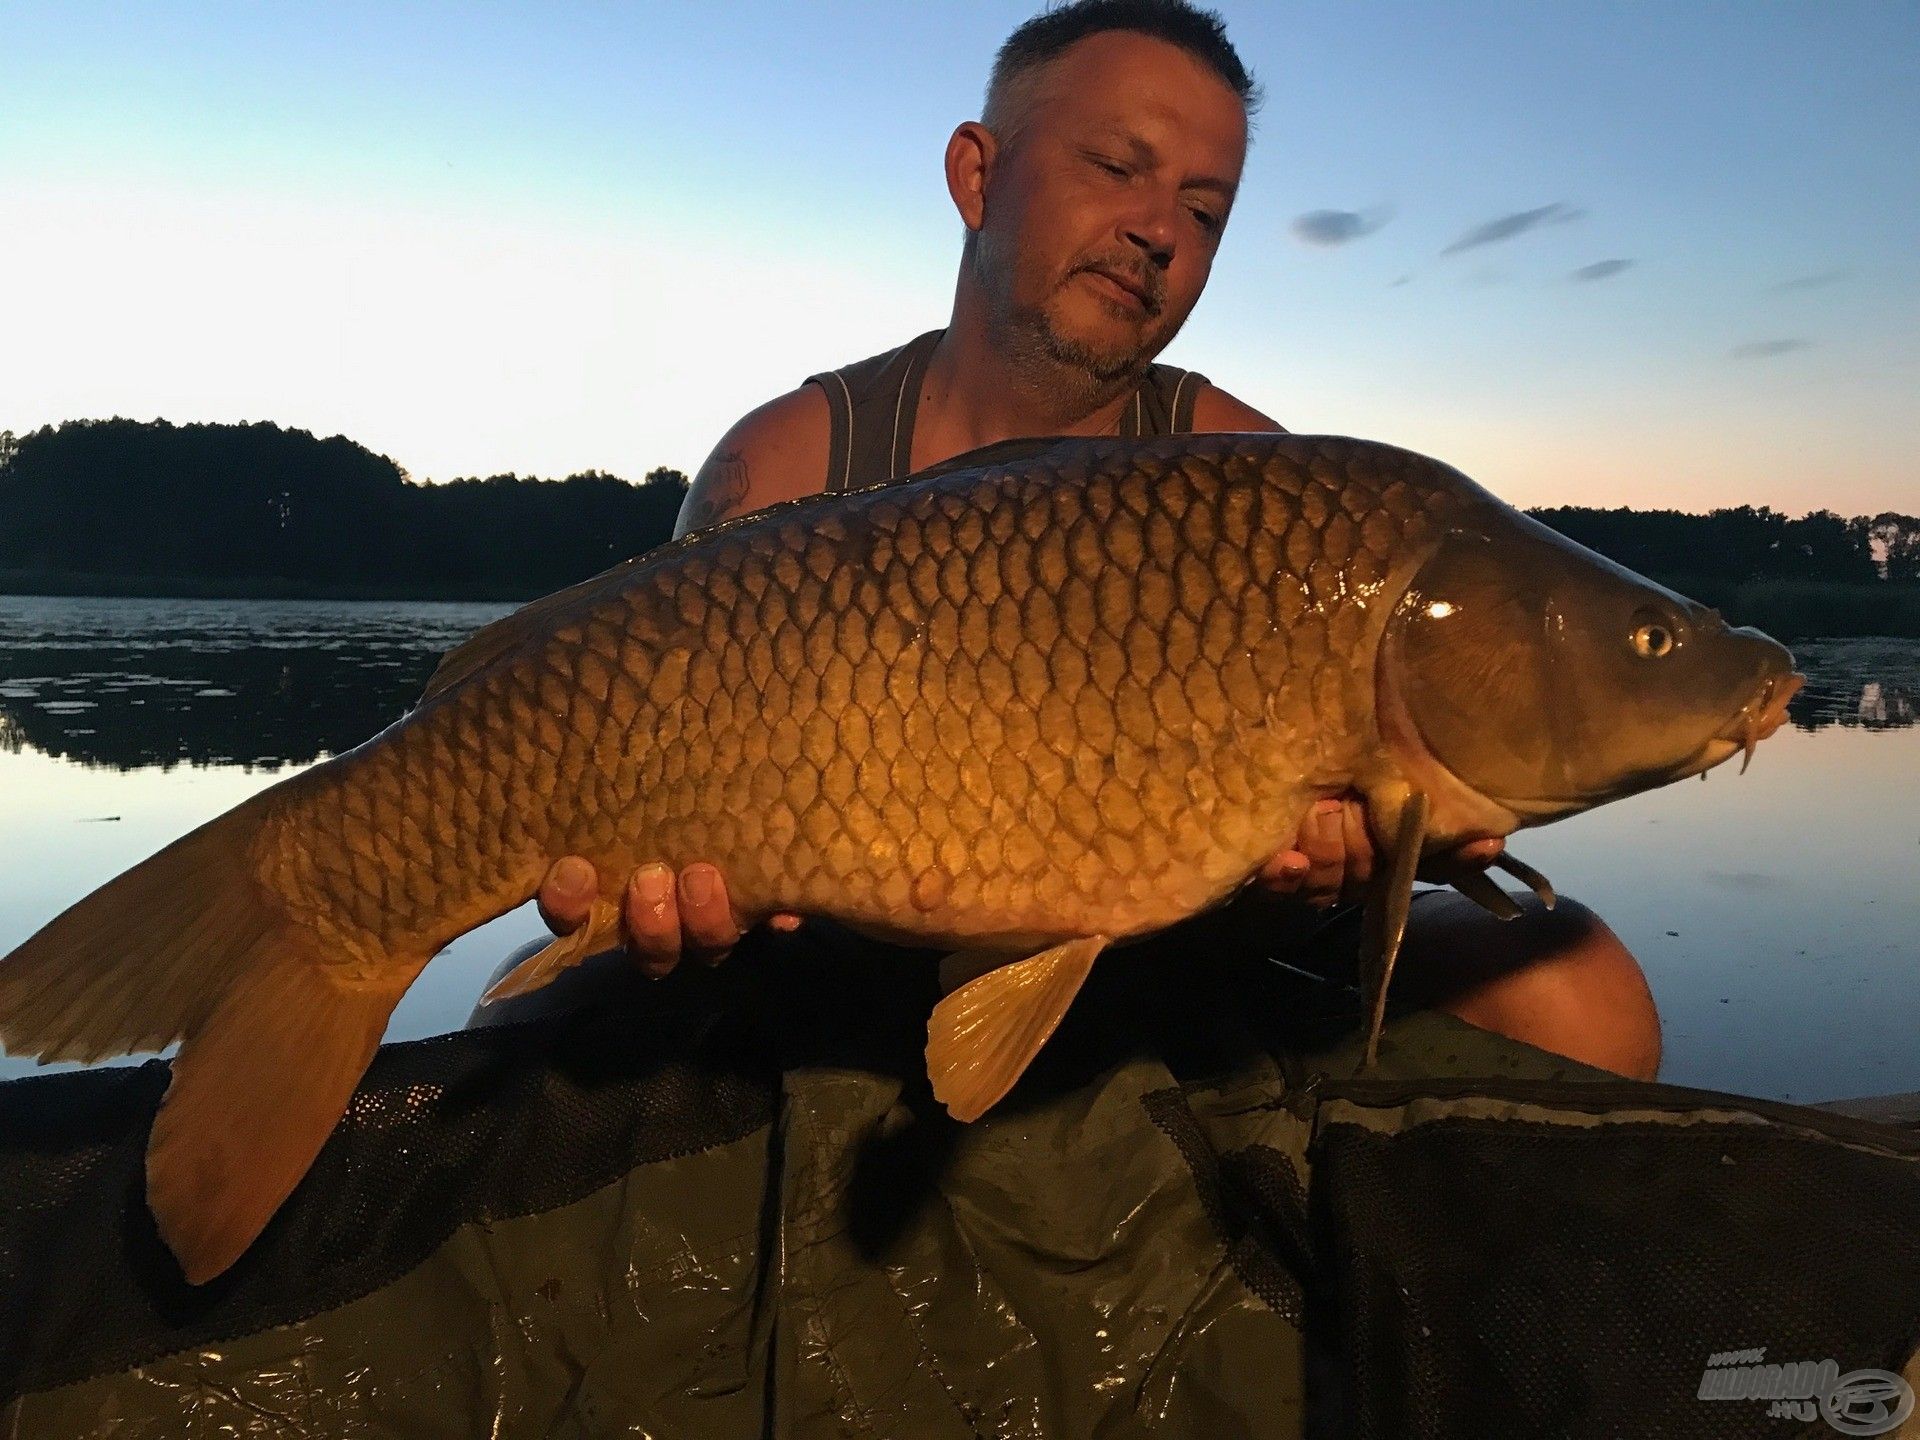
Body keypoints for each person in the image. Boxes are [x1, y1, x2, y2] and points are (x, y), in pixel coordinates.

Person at [501, 0, 1660, 1080]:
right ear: (978, 174)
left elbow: (1289, 866)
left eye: (1205, 211)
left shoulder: (1256, 479)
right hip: (826, 984)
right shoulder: (792, 462)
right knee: (514, 1018)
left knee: (1579, 994)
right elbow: (660, 818)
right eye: (1117, 168)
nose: (1159, 228)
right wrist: (671, 913)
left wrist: (1303, 889)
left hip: (1158, 980)